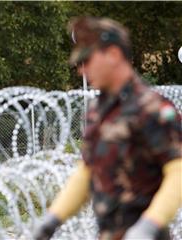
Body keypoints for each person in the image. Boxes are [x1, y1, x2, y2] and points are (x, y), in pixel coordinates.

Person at [34, 17, 182, 240]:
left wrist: (150, 225)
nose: (81, 70)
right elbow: (87, 170)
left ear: (113, 54)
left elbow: (178, 170)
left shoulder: (152, 108)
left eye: (87, 60)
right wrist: (52, 218)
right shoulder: (98, 110)